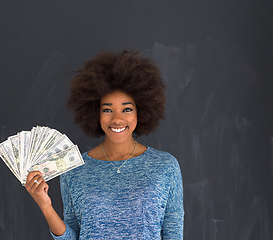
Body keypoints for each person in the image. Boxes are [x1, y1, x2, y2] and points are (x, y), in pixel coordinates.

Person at [25, 50, 184, 239]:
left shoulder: (165, 166)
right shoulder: (74, 170)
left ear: (140, 112)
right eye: (107, 109)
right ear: (95, 113)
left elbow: (174, 234)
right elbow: (72, 237)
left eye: (127, 109)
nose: (117, 119)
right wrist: (45, 205)